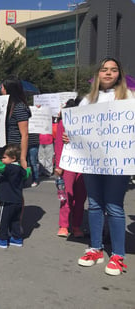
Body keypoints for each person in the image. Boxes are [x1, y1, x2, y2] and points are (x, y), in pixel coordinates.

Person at [66, 57, 133, 276]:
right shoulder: (87, 100)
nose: (108, 73)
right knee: (94, 204)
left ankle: (118, 255)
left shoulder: (129, 98)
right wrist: (70, 137)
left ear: (119, 75)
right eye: (104, 69)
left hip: (117, 161)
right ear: (98, 74)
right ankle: (95, 248)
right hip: (92, 161)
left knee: (114, 205)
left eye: (113, 70)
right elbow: (77, 128)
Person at [0, 76, 31, 231]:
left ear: (9, 89)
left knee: (16, 189)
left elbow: (25, 134)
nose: (1, 90)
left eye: (2, 87)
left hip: (15, 152)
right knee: (4, 186)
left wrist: (22, 158)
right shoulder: (6, 106)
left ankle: (16, 222)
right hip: (5, 150)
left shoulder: (19, 107)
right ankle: (3, 219)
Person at [0, 144, 31, 248]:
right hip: (18, 201)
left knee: (3, 220)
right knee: (15, 220)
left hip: (7, 200)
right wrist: (28, 169)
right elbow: (27, 173)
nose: (2, 160)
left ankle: (2, 240)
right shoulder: (20, 169)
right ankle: (17, 238)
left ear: (13, 158)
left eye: (4, 157)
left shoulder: (9, 168)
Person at [54, 98, 86, 238]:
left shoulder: (92, 123)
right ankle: (64, 225)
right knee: (66, 195)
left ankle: (76, 225)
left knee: (81, 197)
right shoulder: (64, 123)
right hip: (69, 164)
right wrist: (59, 166)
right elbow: (59, 145)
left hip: (85, 166)